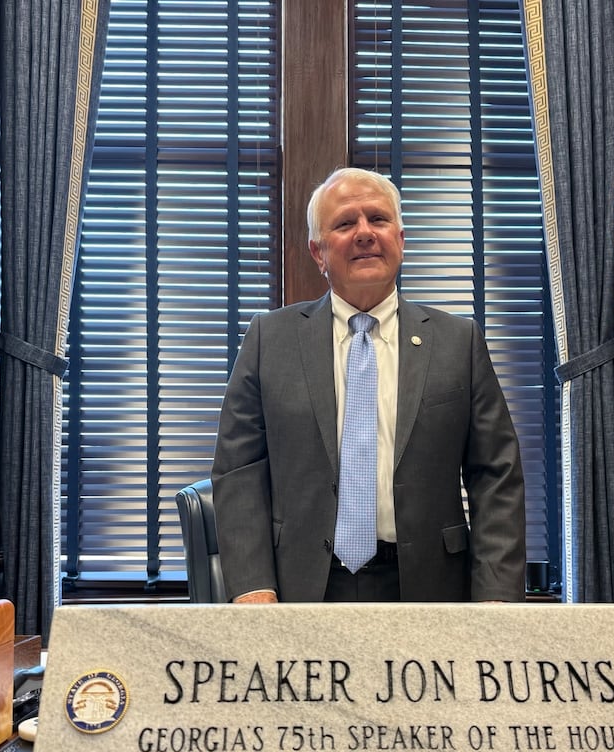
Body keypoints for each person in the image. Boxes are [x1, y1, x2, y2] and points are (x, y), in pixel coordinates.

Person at [210, 167, 526, 604]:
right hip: (299, 589)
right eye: (344, 223)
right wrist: (252, 587)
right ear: (318, 253)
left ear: (401, 239)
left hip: (430, 589)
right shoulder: (270, 339)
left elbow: (496, 474)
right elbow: (239, 471)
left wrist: (497, 595)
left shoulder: (458, 342)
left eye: (377, 220)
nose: (364, 233)